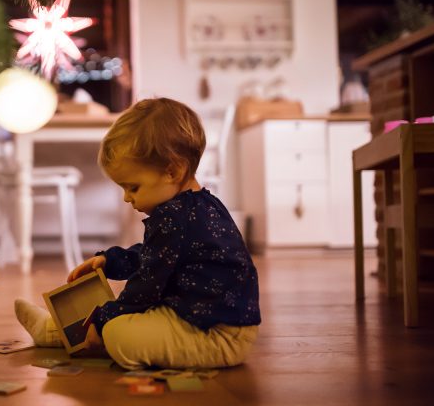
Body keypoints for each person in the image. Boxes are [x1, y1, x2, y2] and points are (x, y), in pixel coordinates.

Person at [15, 98, 261, 370]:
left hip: (217, 335)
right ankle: (52, 331)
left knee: (118, 331)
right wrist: (112, 261)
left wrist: (103, 319)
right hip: (195, 316)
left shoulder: (174, 216)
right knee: (117, 318)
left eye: (133, 187)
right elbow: (155, 256)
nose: (126, 198)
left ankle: (65, 333)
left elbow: (146, 285)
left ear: (172, 171)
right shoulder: (196, 205)